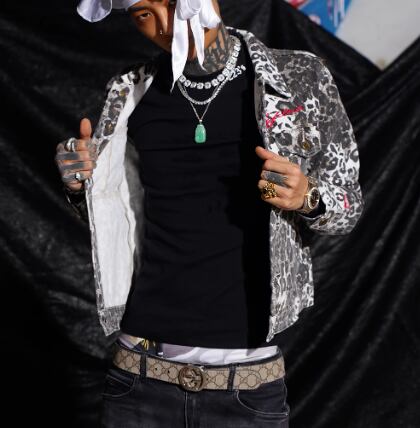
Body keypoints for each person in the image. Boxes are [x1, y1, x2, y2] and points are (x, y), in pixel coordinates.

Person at [54, 0, 364, 426]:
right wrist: (80, 186)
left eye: (171, 3)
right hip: (139, 379)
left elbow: (348, 208)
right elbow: (117, 220)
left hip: (247, 386)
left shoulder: (298, 76)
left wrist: (306, 196)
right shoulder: (129, 92)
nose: (164, 25)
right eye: (143, 14)